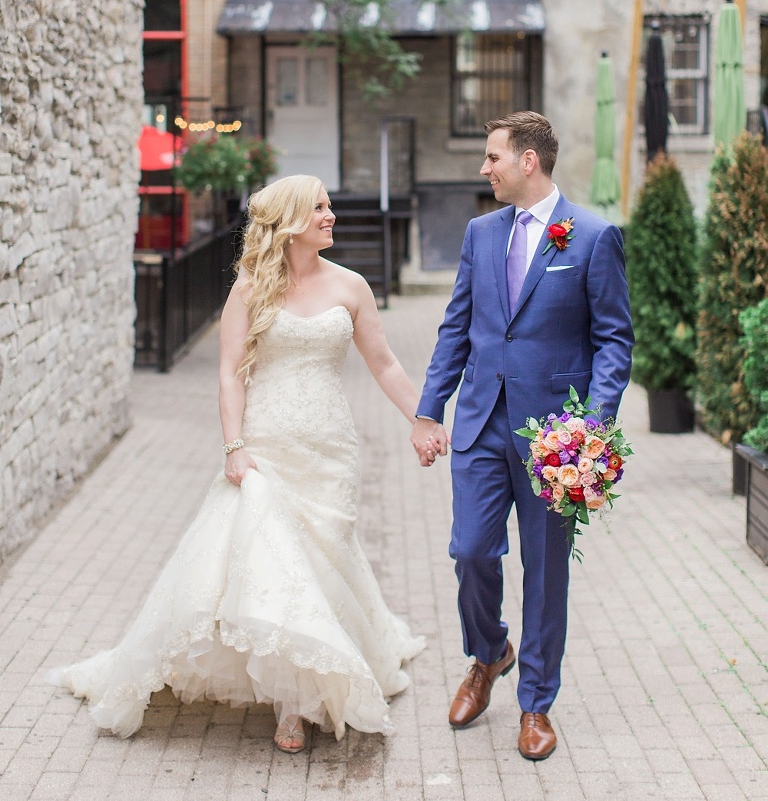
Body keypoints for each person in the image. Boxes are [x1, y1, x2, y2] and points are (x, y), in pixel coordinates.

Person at [49, 175, 428, 753]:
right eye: (320, 208)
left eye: (329, 207)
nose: (332, 215)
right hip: (267, 445)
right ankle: (291, 706)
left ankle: (326, 670)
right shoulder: (250, 289)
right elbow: (230, 371)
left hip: (329, 448)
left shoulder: (352, 287)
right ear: (293, 221)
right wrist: (233, 446)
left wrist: (420, 419)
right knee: (278, 567)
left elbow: (386, 364)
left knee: (325, 560)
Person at [410, 112, 633, 761]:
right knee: (470, 550)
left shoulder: (592, 236)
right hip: (479, 422)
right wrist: (430, 409)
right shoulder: (481, 234)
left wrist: (590, 430)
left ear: (527, 161)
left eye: (492, 157)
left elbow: (615, 339)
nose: (485, 168)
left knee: (544, 573)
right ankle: (489, 653)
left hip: (553, 440)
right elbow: (457, 327)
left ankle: (535, 702)